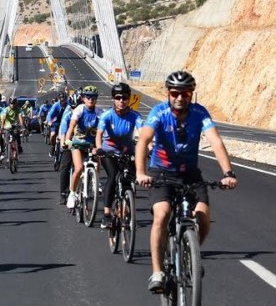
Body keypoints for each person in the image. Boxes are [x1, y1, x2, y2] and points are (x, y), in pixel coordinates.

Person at [135, 71, 238, 293]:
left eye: (186, 93)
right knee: (162, 214)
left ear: (191, 94)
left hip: (190, 174)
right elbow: (143, 140)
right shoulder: (158, 112)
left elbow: (216, 142)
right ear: (168, 93)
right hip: (161, 173)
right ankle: (158, 272)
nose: (180, 97)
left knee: (203, 216)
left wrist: (228, 172)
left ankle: (191, 254)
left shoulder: (200, 113)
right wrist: (141, 172)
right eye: (175, 93)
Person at [96, 82, 142, 229]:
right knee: (113, 176)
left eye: (125, 98)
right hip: (108, 151)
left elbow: (143, 133)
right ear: (113, 99)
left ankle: (127, 202)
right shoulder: (107, 115)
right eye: (118, 97)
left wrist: (148, 146)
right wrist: (99, 148)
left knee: (131, 177)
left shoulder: (135, 115)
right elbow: (99, 135)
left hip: (127, 150)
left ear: (129, 99)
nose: (122, 101)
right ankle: (107, 214)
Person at [65, 85, 103, 210]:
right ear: (83, 98)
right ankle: (72, 193)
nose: (91, 100)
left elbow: (105, 129)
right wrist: (67, 140)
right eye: (88, 97)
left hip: (92, 143)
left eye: (93, 97)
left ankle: (96, 181)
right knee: (79, 167)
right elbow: (71, 126)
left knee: (99, 156)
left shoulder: (99, 112)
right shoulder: (79, 110)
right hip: (78, 143)